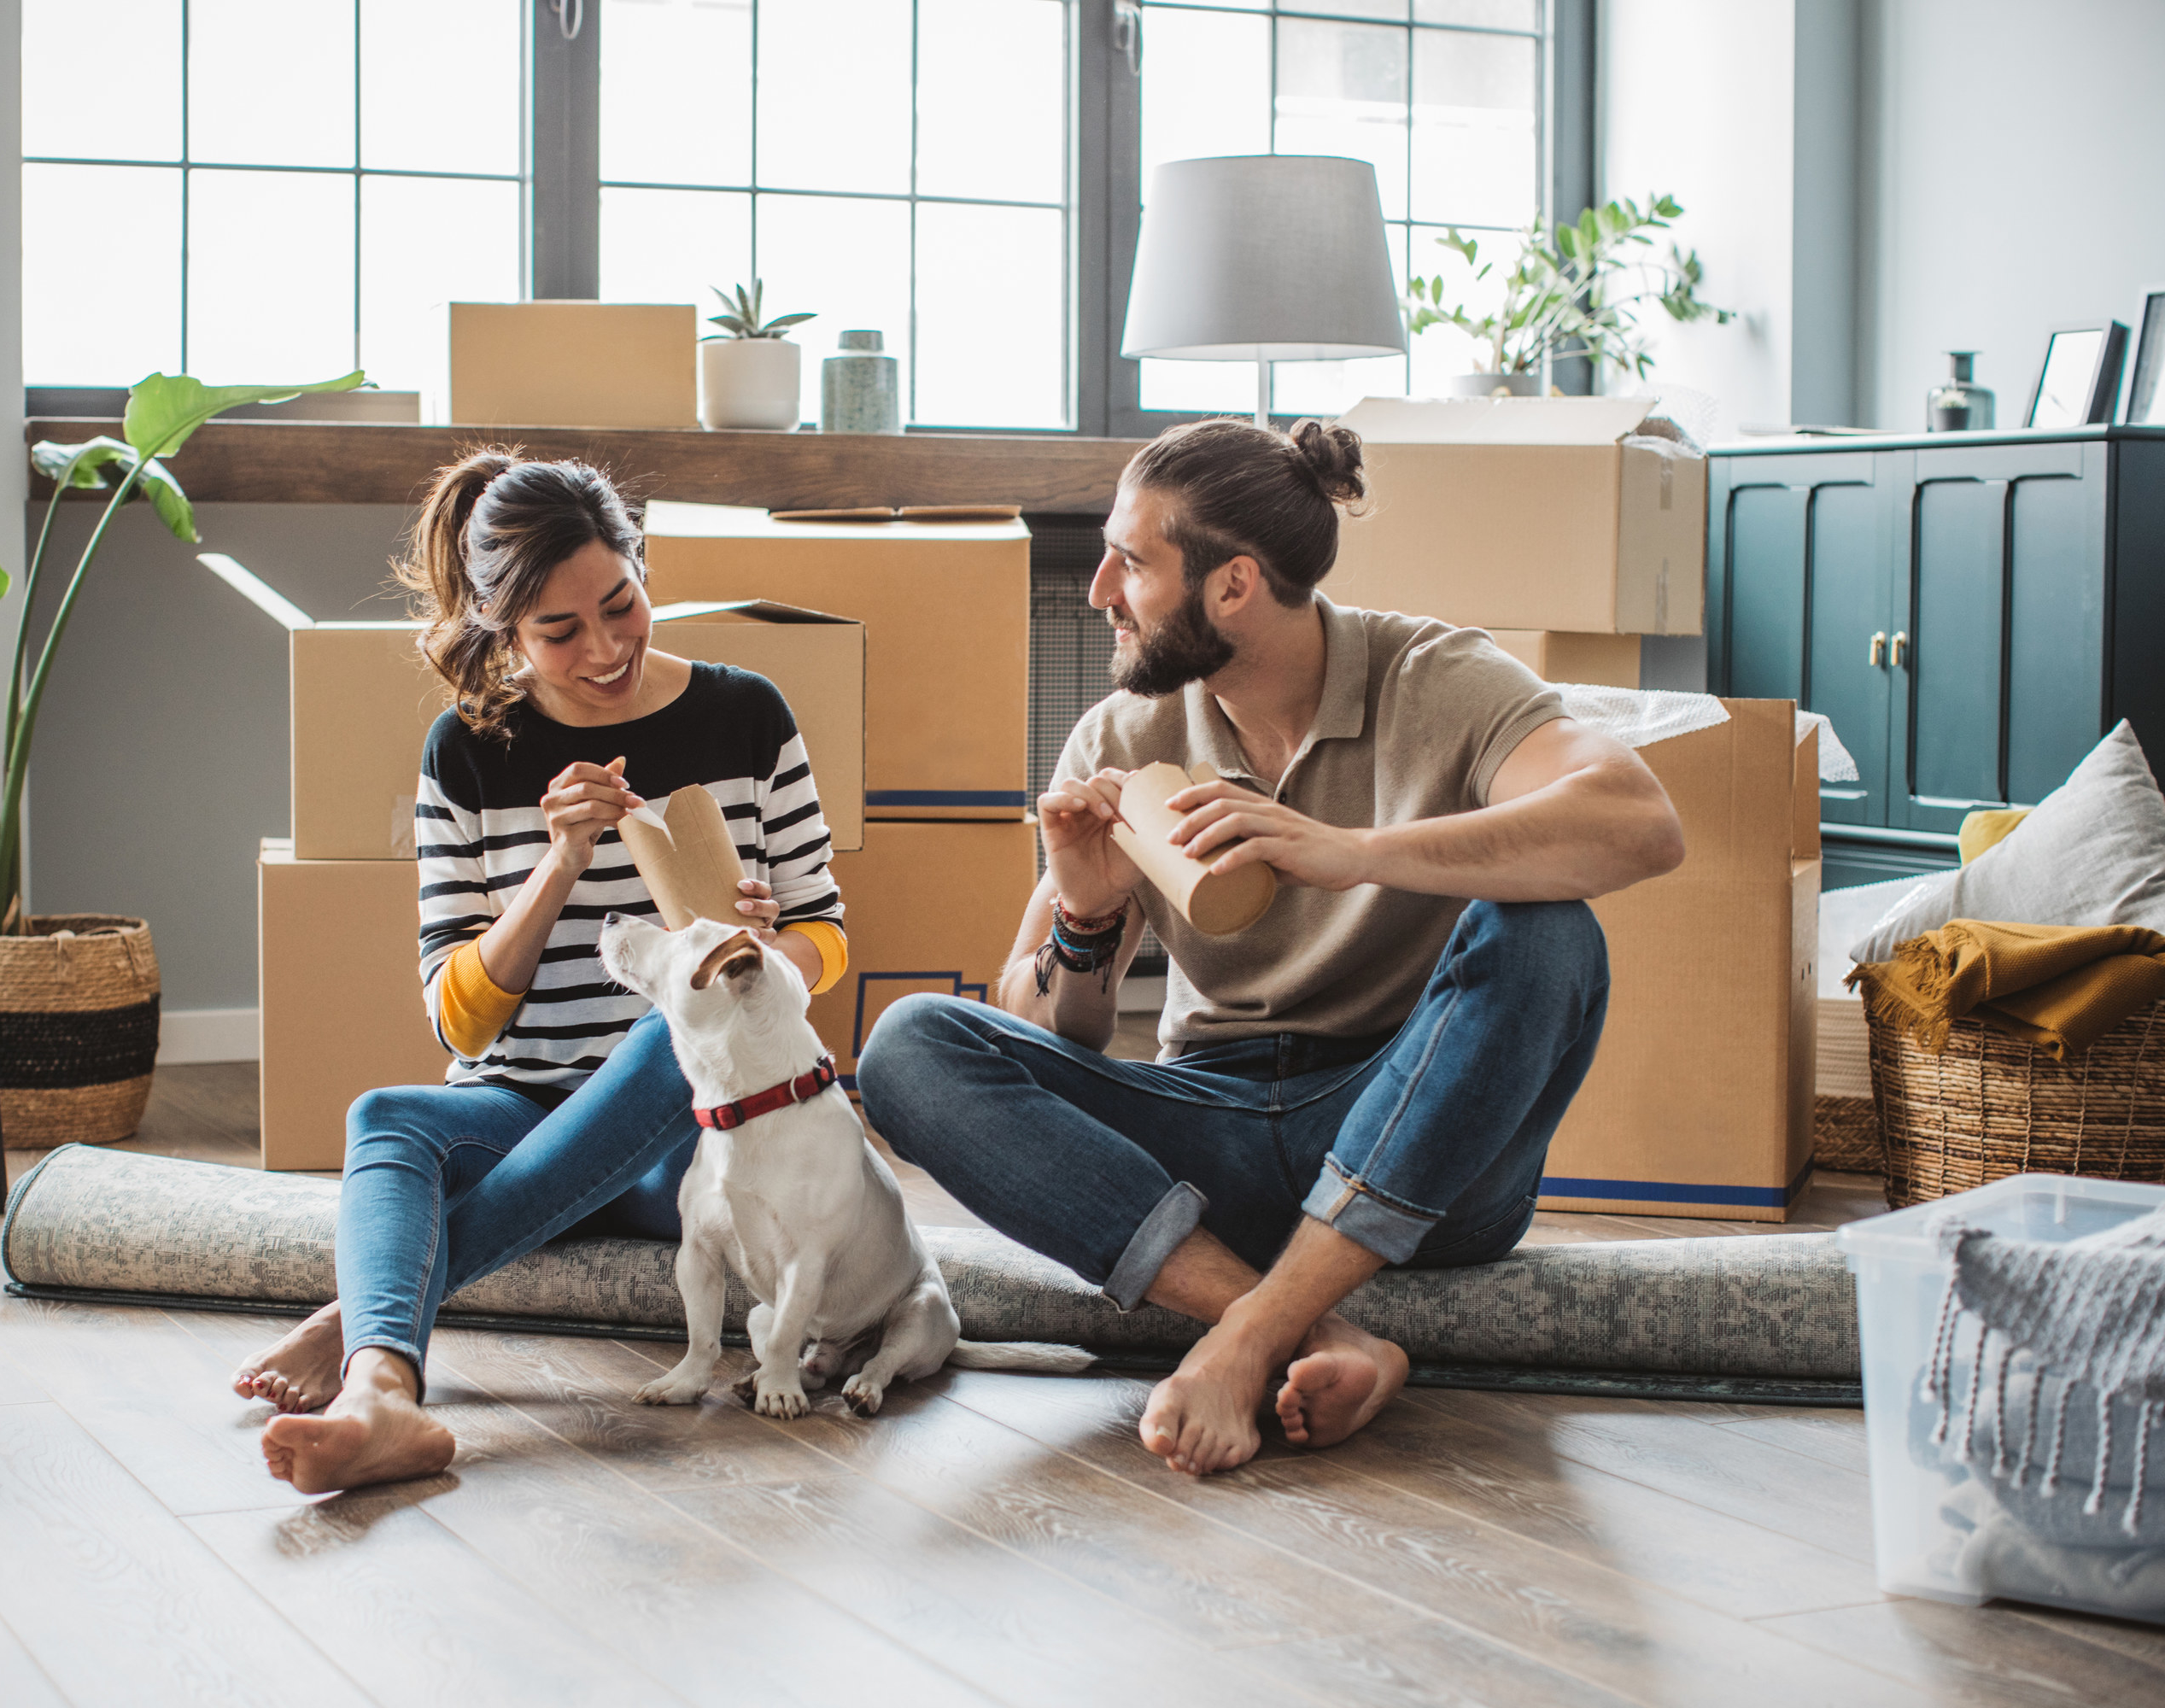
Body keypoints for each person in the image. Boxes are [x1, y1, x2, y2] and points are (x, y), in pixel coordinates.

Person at [857, 417, 1684, 1477]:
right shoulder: (1125, 732)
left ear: (1233, 585)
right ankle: (1314, 1324)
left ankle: (1246, 1335)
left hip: (1417, 1132)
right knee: (910, 1042)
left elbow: (1639, 821)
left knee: (1549, 926)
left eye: (1134, 561)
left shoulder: (1436, 674)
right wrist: (1085, 916)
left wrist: (1354, 852)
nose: (1100, 586)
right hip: (1215, 1127)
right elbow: (1048, 1035)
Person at [242, 451, 849, 1494]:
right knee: (387, 1116)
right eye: (560, 632)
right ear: (503, 631)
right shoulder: (468, 752)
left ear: (643, 568)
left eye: (622, 603)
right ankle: (385, 1393)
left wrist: (762, 956)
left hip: (697, 1133)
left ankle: (363, 1323)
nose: (606, 648)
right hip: (523, 1108)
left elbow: (825, 933)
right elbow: (461, 1027)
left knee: (678, 1022)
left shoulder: (748, 713)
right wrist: (557, 864)